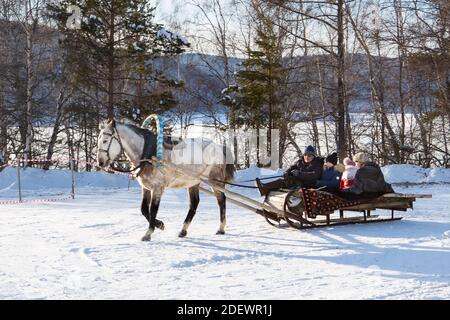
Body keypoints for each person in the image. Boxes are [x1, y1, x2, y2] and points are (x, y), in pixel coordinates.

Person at [255, 145, 323, 196]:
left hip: (307, 184)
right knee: (284, 180)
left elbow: (314, 175)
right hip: (298, 181)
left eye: (309, 155)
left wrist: (299, 174)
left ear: (313, 156)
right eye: (305, 154)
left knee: (287, 182)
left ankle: (264, 189)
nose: (307, 157)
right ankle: (264, 188)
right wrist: (287, 172)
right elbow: (292, 167)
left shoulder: (317, 164)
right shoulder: (300, 162)